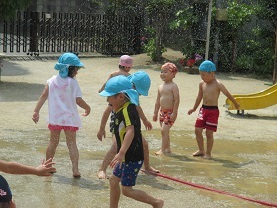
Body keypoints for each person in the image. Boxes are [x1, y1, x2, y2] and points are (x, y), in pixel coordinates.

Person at [99, 75, 164, 208]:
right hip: (124, 155)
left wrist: (121, 152)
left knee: (127, 190)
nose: (107, 100)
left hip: (132, 156)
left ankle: (156, 202)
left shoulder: (128, 109)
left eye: (109, 97)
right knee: (113, 180)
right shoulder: (120, 108)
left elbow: (131, 131)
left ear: (121, 97)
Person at [32, 52, 91, 177]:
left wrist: (36, 111)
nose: (77, 72)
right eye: (76, 69)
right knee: (72, 144)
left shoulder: (51, 81)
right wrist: (87, 107)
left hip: (55, 119)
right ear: (70, 69)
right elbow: (78, 100)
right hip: (70, 119)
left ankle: (48, 167)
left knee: (53, 142)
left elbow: (43, 96)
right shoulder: (73, 83)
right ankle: (75, 169)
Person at [97, 70, 159, 179]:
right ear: (132, 86)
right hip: (118, 123)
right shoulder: (121, 94)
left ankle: (147, 166)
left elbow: (137, 107)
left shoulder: (132, 94)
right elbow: (107, 111)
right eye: (138, 92)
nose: (138, 94)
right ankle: (102, 169)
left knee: (144, 144)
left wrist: (144, 120)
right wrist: (101, 128)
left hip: (129, 123)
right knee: (116, 146)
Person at [187, 60, 240, 159]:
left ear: (212, 74)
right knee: (197, 130)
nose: (202, 77)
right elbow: (199, 97)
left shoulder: (218, 84)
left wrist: (235, 103)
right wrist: (194, 108)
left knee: (209, 133)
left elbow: (227, 94)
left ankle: (208, 153)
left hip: (213, 111)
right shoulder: (201, 84)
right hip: (203, 109)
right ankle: (201, 150)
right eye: (201, 75)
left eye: (204, 75)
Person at [153, 62, 180, 155]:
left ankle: (162, 150)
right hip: (162, 112)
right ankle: (167, 149)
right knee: (165, 132)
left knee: (163, 131)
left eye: (165, 72)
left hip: (170, 112)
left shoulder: (173, 86)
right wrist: (155, 113)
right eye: (161, 72)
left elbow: (177, 99)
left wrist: (174, 112)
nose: (162, 74)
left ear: (173, 74)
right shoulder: (160, 87)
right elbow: (157, 101)